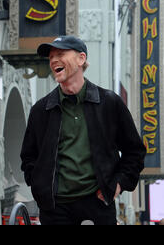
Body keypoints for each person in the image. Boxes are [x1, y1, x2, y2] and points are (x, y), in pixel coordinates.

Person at [20, 35, 145, 225]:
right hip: (55, 208)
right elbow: (29, 157)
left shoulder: (109, 102)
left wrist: (117, 185)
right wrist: (41, 189)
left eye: (60, 54)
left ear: (81, 59)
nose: (53, 60)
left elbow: (134, 151)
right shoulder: (41, 109)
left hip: (98, 204)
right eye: (51, 56)